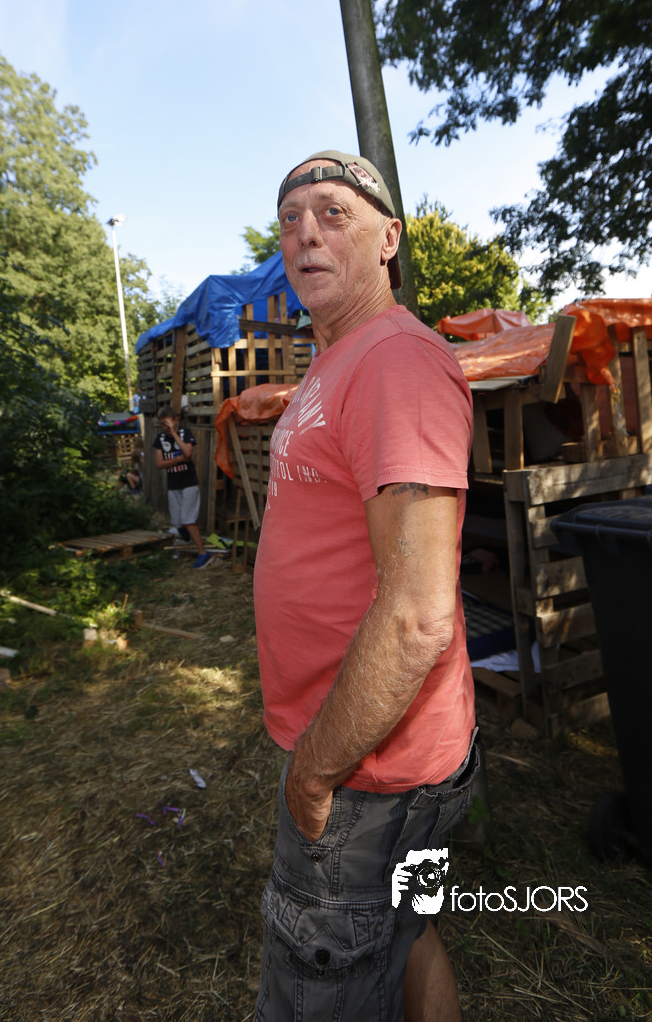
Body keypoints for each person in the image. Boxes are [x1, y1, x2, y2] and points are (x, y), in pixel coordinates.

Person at [252, 150, 480, 1022]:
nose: (305, 233)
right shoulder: (338, 360)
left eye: (333, 213)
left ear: (389, 239)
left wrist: (315, 774)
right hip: (377, 757)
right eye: (290, 218)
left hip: (367, 770)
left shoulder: (395, 361)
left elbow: (418, 615)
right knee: (406, 934)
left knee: (324, 987)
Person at [154, 406, 212, 570]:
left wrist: (174, 434)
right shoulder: (160, 438)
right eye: (162, 424)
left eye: (167, 423)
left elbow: (188, 453)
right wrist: (178, 459)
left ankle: (203, 553)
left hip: (188, 483)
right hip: (173, 484)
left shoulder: (184, 433)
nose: (165, 427)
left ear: (175, 420)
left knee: (187, 520)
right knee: (177, 522)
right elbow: (159, 463)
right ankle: (186, 533)